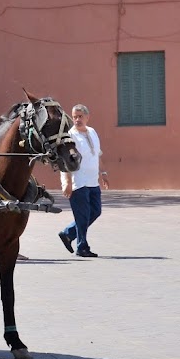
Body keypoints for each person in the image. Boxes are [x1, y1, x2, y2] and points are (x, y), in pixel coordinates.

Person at [58, 103, 108, 258]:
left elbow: (97, 154)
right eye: (74, 117)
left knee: (95, 211)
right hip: (77, 181)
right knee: (83, 214)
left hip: (93, 181)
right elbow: (64, 160)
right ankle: (82, 246)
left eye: (80, 116)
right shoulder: (70, 135)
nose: (77, 120)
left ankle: (68, 233)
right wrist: (66, 183)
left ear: (87, 117)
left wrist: (103, 173)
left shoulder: (92, 132)